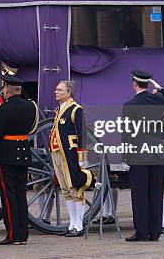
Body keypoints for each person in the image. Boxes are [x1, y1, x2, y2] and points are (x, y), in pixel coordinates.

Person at [122, 70, 164, 242]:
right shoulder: (159, 100)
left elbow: (127, 133)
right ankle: (155, 232)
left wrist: (125, 157)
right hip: (158, 153)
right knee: (155, 192)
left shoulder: (130, 104)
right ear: (147, 84)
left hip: (139, 154)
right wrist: (159, 87)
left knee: (140, 194)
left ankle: (142, 232)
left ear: (134, 84)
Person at [0, 75, 38, 245]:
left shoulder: (4, 108)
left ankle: (13, 234)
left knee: (8, 196)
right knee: (20, 195)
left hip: (7, 154)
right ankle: (22, 234)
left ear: (6, 90)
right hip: (23, 152)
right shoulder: (30, 107)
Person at [50, 81, 94, 238]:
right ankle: (72, 224)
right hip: (57, 152)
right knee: (65, 189)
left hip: (70, 153)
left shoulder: (76, 109)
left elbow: (82, 134)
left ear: (68, 93)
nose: (56, 91)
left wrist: (81, 157)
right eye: (56, 89)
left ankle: (79, 225)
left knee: (75, 187)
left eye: (59, 89)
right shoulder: (59, 109)